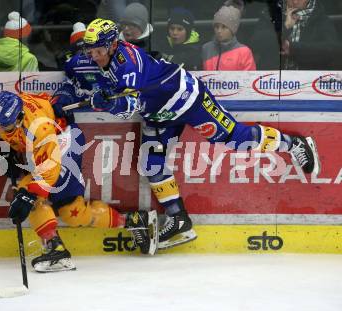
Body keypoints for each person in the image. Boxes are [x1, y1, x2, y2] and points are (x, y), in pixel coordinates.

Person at [53, 18, 321, 250]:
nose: (94, 56)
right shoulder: (87, 60)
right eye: (90, 51)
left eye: (99, 50)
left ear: (112, 45)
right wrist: (64, 96)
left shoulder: (128, 65)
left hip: (187, 100)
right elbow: (73, 78)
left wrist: (109, 102)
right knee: (150, 163)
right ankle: (178, 218)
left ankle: (293, 144)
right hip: (158, 115)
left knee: (236, 139)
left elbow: (127, 108)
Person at [0, 90, 158, 272]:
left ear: (20, 117)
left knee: (33, 194)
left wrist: (28, 194)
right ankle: (135, 220)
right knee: (73, 213)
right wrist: (9, 151)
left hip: (63, 142)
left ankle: (56, 250)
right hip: (40, 150)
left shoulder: (40, 129)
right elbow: (1, 130)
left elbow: (49, 169)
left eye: (5, 127)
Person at [280, 0, 339, 69]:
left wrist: (293, 49)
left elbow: (331, 51)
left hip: (310, 77)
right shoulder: (273, 15)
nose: (295, 2)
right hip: (275, 78)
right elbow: (267, 48)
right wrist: (286, 27)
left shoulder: (322, 21)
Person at [202, 0, 256, 70]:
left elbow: (249, 78)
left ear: (233, 29)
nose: (219, 31)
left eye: (224, 27)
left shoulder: (244, 52)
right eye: (216, 26)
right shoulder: (206, 49)